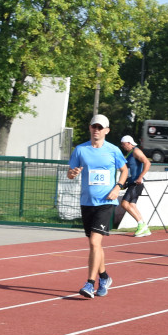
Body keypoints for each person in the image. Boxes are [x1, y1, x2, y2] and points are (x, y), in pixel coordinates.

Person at [67, 114, 129, 299]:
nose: (97, 130)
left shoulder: (113, 150)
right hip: (87, 202)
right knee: (95, 246)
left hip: (106, 202)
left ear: (107, 131)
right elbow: (70, 174)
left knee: (95, 242)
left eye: (100, 127)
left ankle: (89, 283)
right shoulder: (80, 150)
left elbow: (124, 170)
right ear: (89, 128)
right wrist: (73, 172)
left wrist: (118, 187)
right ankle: (104, 277)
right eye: (94, 126)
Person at [119, 135, 152, 237]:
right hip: (132, 183)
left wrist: (140, 177)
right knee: (132, 205)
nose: (123, 146)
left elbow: (147, 162)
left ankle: (141, 224)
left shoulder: (136, 151)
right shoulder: (130, 153)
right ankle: (144, 227)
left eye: (124, 144)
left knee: (124, 204)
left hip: (137, 183)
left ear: (129, 143)